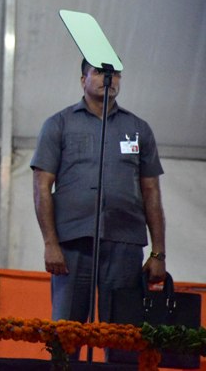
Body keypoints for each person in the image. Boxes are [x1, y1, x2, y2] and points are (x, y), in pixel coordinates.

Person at [31, 59, 165, 332]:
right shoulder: (59, 124)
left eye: (115, 74)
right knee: (66, 332)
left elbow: (151, 191)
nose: (109, 78)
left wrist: (158, 253)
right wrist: (50, 243)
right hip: (73, 244)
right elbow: (41, 187)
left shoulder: (138, 128)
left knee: (122, 334)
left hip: (125, 243)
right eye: (101, 72)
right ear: (83, 80)